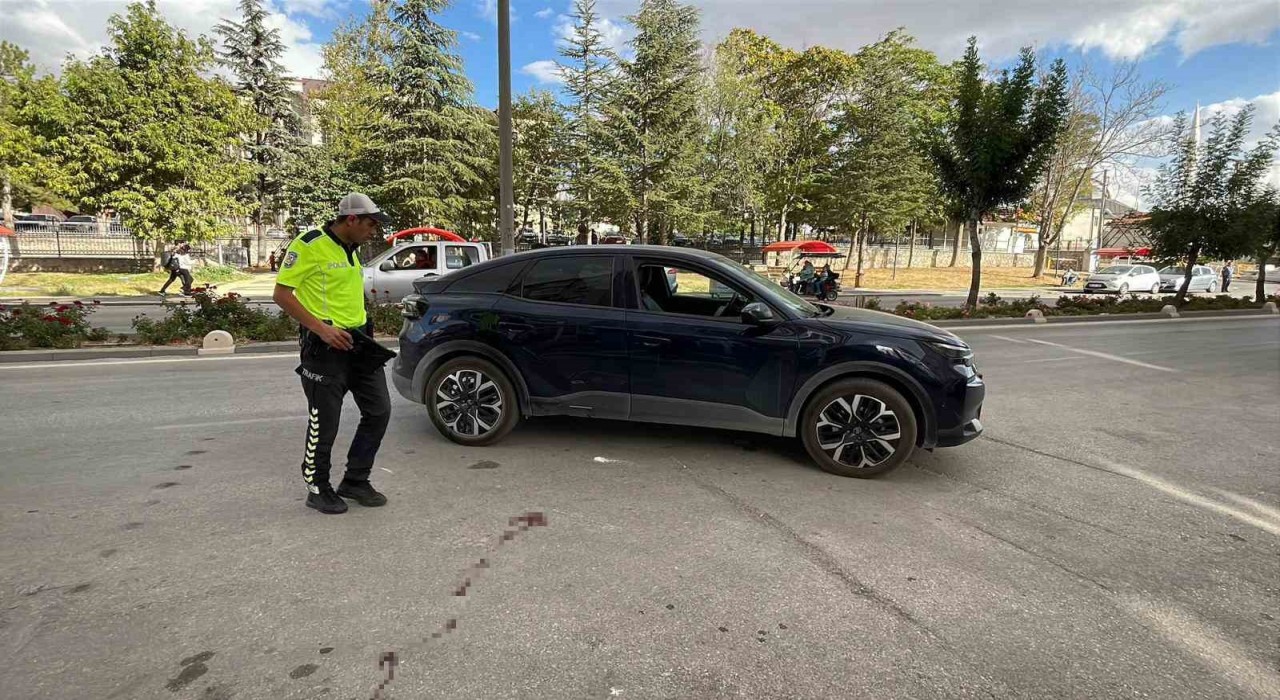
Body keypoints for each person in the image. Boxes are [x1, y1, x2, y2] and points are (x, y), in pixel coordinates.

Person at [272, 192, 394, 515]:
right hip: (324, 347)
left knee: (379, 411)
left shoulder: (353, 250)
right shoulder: (310, 244)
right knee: (324, 421)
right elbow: (281, 294)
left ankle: (355, 480)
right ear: (351, 219)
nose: (374, 232)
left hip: (358, 344)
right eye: (370, 224)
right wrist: (321, 328)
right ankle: (317, 486)